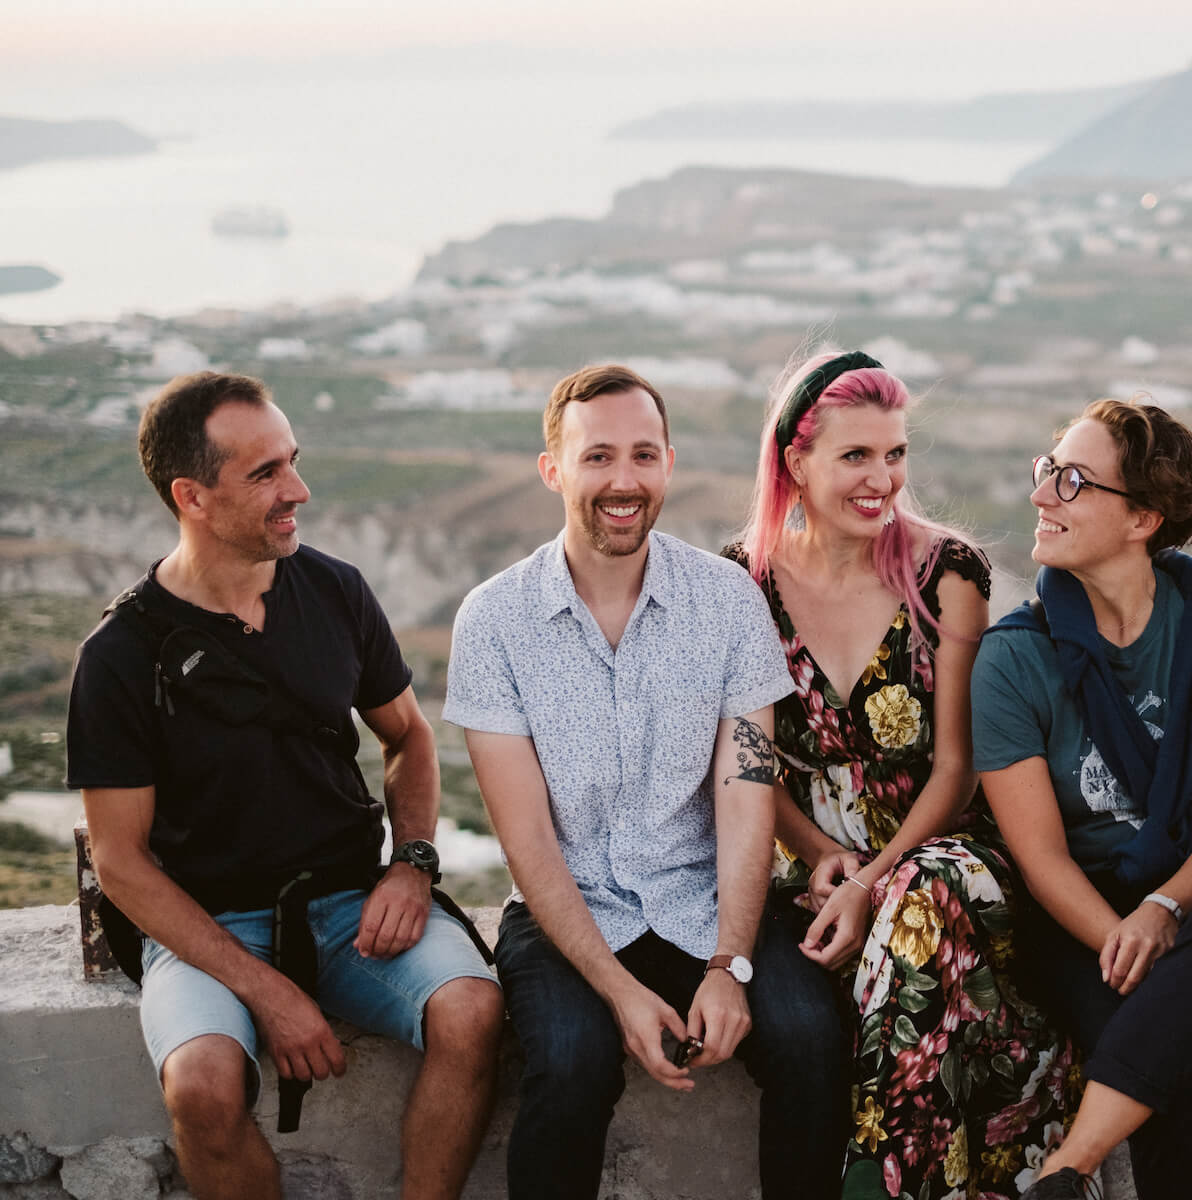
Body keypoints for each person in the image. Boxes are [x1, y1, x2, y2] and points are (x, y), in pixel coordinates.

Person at [66, 371, 503, 1200]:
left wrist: (411, 863)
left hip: (347, 902)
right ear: (191, 496)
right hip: (204, 921)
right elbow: (121, 864)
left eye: (291, 462)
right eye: (263, 473)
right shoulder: (120, 656)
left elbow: (407, 734)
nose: (297, 490)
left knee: (474, 1012)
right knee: (200, 1086)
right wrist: (264, 989)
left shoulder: (334, 590)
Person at [443, 363, 850, 1200]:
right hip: (570, 907)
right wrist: (619, 992)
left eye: (642, 455)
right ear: (554, 470)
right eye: (597, 458)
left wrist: (730, 964)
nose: (622, 481)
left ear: (668, 462)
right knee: (568, 1060)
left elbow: (747, 798)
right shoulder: (494, 621)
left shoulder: (728, 600)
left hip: (707, 896)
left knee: (812, 1036)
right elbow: (528, 847)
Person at [725, 349, 1079, 1199]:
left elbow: (957, 771)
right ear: (795, 462)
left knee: (916, 905)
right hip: (805, 869)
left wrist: (869, 883)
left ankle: (875, 1183)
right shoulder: (742, 581)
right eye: (855, 456)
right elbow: (747, 759)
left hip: (942, 858)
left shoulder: (945, 574)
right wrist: (817, 856)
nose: (881, 478)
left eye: (895, 454)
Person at [972, 398, 1192, 1200]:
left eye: (1074, 481)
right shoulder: (1014, 659)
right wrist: (1131, 940)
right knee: (1170, 1080)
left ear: (1143, 518)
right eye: (1047, 471)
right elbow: (1042, 856)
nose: (1042, 496)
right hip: (1081, 923)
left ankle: (1065, 1169)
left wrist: (1165, 910)